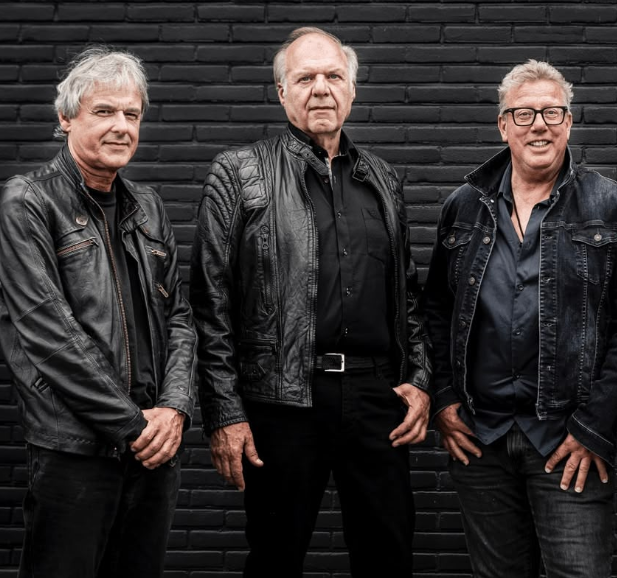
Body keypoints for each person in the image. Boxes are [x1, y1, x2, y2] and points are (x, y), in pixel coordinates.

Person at [190, 27, 432, 578]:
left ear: (352, 89)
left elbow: (407, 294)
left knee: (389, 558)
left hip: (376, 399)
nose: (321, 88)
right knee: (275, 559)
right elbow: (210, 304)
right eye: (305, 78)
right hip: (282, 402)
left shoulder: (382, 178)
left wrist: (419, 379)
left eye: (333, 76)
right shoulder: (239, 173)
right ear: (282, 92)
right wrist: (225, 412)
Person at [422, 60, 617, 578]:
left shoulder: (612, 206)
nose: (539, 125)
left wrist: (595, 425)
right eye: (524, 113)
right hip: (480, 438)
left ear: (568, 122)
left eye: (552, 112)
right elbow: (436, 312)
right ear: (503, 125)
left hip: (568, 440)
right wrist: (442, 399)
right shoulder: (463, 207)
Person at [0, 47, 197, 578]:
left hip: (152, 450)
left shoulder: (148, 207)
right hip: (75, 452)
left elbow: (179, 318)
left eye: (132, 114)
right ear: (66, 118)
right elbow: (50, 336)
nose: (121, 126)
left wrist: (174, 409)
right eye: (104, 111)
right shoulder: (29, 202)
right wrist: (132, 425)